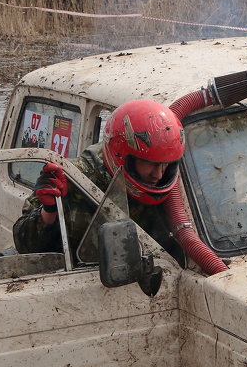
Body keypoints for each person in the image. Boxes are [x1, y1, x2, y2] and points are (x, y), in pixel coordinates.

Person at [13, 99, 185, 261]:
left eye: (165, 165)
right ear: (123, 156)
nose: (159, 175)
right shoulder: (74, 178)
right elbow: (24, 247)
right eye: (150, 164)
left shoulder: (176, 184)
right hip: (79, 279)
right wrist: (48, 211)